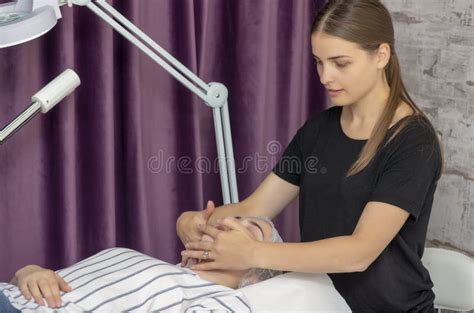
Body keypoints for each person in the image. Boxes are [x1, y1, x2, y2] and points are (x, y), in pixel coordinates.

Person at [177, 1, 443, 312]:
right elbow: (253, 208)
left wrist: (252, 253)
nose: (325, 76)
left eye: (340, 63)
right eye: (318, 61)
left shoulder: (413, 142)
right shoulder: (319, 129)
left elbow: (359, 252)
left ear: (381, 56)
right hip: (322, 299)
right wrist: (195, 223)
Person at [0, 216, 282, 312]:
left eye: (252, 229)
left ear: (256, 277)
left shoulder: (224, 301)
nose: (229, 221)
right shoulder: (152, 264)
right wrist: (30, 272)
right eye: (234, 217)